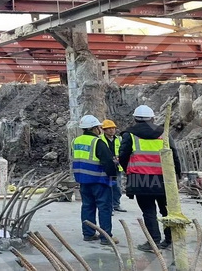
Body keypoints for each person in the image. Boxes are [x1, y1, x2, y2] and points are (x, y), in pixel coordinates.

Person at [119, 105, 182, 253]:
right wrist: (178, 175)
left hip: (140, 179)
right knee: (166, 211)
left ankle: (153, 242)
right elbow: (174, 155)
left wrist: (129, 172)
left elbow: (123, 157)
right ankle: (170, 239)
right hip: (163, 179)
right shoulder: (163, 133)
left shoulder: (129, 135)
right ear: (153, 118)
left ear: (135, 119)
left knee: (148, 211)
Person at [72, 115, 118, 245]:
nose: (100, 130)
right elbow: (108, 162)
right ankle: (106, 237)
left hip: (83, 180)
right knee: (104, 208)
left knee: (87, 206)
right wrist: (113, 176)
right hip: (99, 181)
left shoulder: (76, 141)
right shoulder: (98, 142)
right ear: (94, 128)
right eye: (99, 127)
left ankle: (88, 234)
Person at [101, 119, 126, 213]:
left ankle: (116, 204)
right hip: (106, 167)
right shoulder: (100, 139)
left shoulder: (119, 139)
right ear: (104, 130)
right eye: (109, 128)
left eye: (113, 128)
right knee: (107, 187)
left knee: (117, 187)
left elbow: (123, 151)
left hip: (117, 167)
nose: (112, 130)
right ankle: (109, 206)